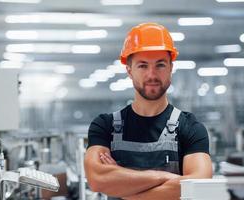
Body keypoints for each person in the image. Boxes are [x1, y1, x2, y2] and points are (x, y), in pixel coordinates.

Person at [84, 22, 212, 200]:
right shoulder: (105, 126)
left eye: (160, 65)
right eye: (142, 66)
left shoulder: (190, 128)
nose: (152, 75)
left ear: (170, 68)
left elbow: (200, 185)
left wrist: (123, 185)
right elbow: (97, 180)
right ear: (129, 70)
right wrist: (165, 178)